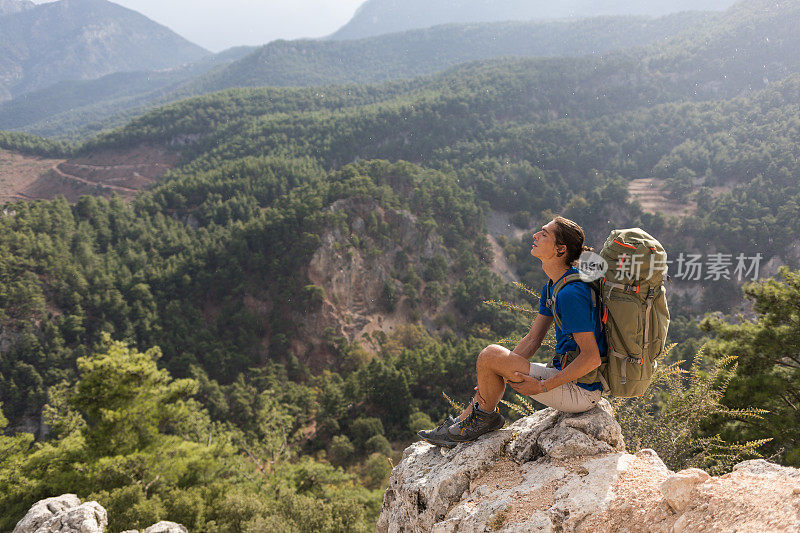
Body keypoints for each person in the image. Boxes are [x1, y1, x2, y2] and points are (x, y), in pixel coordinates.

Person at [419, 216, 607, 447]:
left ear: (560, 250)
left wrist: (541, 386)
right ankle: (466, 420)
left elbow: (592, 357)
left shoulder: (571, 294)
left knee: (490, 355)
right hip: (566, 378)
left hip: (582, 391)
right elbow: (533, 339)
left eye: (544, 234)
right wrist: (498, 370)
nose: (535, 236)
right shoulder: (554, 286)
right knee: (491, 359)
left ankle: (476, 421)